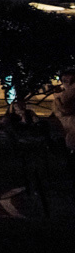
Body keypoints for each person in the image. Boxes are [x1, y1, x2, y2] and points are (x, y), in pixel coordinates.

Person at [54, 69, 75, 203]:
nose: (69, 84)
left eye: (72, 81)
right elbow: (65, 109)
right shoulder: (61, 98)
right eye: (66, 81)